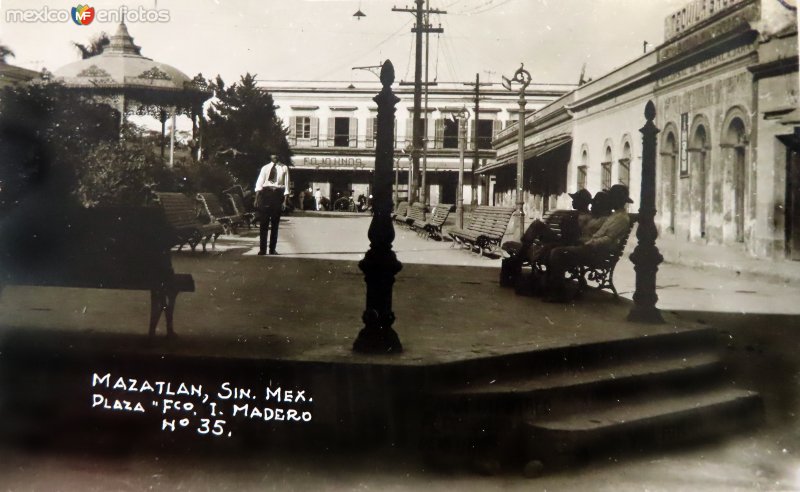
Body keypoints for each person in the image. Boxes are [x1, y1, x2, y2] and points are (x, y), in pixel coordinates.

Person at [545, 184, 634, 302]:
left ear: (617, 200)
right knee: (554, 248)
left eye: (612, 197)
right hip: (593, 248)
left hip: (598, 252)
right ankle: (553, 290)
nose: (610, 200)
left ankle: (559, 294)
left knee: (558, 252)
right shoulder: (614, 215)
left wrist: (587, 243)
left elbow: (608, 239)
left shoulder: (621, 218)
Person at [500, 188, 593, 287]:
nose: (573, 201)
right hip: (564, 241)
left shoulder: (584, 217)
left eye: (575, 199)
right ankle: (520, 256)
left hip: (568, 244)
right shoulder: (577, 214)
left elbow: (572, 236)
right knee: (537, 225)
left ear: (581, 202)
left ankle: (519, 258)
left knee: (536, 225)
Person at [254, 154, 290, 255]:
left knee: (275, 224)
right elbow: (259, 183)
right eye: (273, 155)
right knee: (263, 224)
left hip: (277, 195)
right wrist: (256, 199)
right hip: (265, 195)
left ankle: (272, 249)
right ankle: (262, 249)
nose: (275, 157)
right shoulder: (265, 168)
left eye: (277, 155)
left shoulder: (284, 168)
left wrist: (285, 201)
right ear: (270, 156)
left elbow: (286, 185)